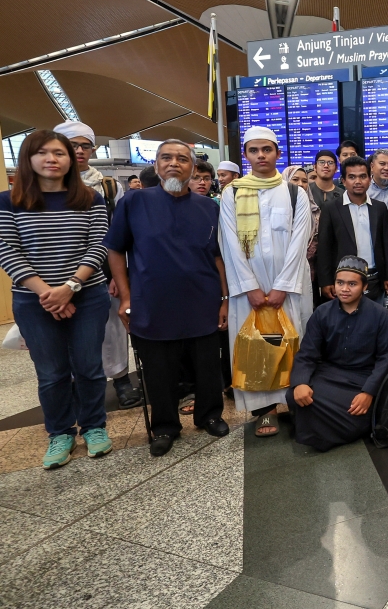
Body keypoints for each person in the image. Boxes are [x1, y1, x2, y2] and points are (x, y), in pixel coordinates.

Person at [105, 138, 230, 456]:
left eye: (182, 159)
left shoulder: (207, 207)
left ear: (193, 168)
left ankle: (209, 415)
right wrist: (125, 296)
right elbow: (115, 249)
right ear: (157, 165)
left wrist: (225, 298)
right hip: (152, 302)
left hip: (202, 299)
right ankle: (164, 426)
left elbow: (217, 257)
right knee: (159, 371)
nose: (174, 163)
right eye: (166, 158)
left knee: (206, 367)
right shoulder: (134, 202)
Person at [0, 130, 111, 468]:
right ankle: (59, 433)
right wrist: (47, 293)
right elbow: (8, 249)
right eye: (43, 153)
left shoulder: (91, 198)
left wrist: (70, 288)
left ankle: (94, 427)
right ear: (28, 159)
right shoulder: (9, 202)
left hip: (88, 294)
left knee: (89, 366)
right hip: (34, 301)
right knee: (51, 371)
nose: (52, 159)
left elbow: (99, 244)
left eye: (59, 153)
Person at [220, 126, 312, 437]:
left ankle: (297, 401)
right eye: (254, 151)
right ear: (245, 155)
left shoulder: (294, 192)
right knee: (257, 347)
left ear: (277, 153)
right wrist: (250, 287)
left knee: (293, 343)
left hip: (291, 285)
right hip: (249, 287)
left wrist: (283, 285)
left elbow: (301, 239)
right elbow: (229, 243)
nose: (261, 156)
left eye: (267, 150)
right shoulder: (231, 192)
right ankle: (264, 411)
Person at [54, 121, 135, 409]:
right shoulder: (46, 186)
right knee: (66, 335)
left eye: (84, 145)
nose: (79, 151)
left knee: (112, 328)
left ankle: (122, 380)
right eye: (72, 145)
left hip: (102, 269)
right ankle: (77, 385)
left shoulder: (108, 185)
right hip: (56, 272)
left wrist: (119, 273)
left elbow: (118, 233)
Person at [288, 256, 388, 451]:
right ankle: (335, 428)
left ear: (364, 287)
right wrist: (301, 382)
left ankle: (318, 430)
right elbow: (307, 354)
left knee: (355, 410)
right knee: (294, 395)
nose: (344, 289)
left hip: (361, 380)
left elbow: (386, 357)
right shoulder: (322, 313)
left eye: (352, 284)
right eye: (340, 283)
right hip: (329, 375)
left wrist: (368, 392)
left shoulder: (379, 315)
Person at [317, 156, 388, 302]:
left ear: (369, 179)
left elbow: (387, 245)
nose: (358, 182)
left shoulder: (379, 208)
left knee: (375, 322)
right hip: (343, 281)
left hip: (375, 279)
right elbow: (324, 247)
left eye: (362, 176)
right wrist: (325, 281)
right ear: (343, 181)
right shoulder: (331, 208)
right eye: (352, 177)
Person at [282, 165, 320, 284]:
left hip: (308, 268)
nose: (300, 184)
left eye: (304, 181)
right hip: (282, 268)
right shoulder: (277, 207)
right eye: (295, 179)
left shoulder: (314, 210)